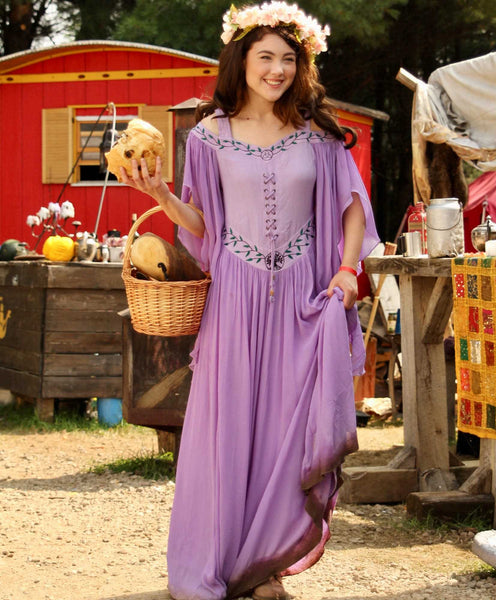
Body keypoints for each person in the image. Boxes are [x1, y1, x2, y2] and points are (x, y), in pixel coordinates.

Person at [121, 2, 379, 599]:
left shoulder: (318, 134)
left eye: (289, 59)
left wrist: (345, 270)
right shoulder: (211, 134)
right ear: (241, 61)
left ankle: (265, 568)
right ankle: (219, 561)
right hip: (235, 296)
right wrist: (160, 193)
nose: (277, 69)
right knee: (229, 428)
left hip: (302, 295)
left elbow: (351, 206)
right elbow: (201, 224)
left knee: (288, 429)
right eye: (266, 57)